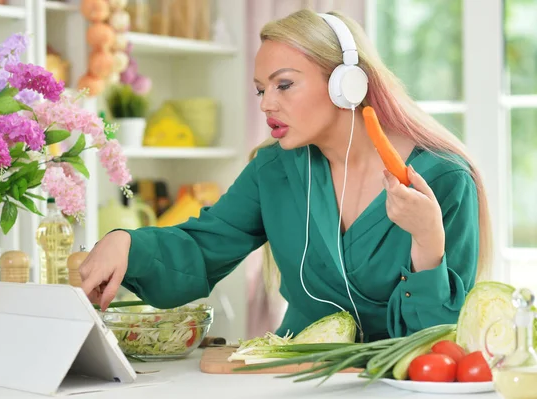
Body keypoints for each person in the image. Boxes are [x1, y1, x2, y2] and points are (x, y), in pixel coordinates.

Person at [79, 9, 492, 343]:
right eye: (262, 90)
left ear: (346, 85)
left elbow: (439, 341)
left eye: (284, 85)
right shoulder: (273, 170)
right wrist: (126, 244)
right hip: (294, 377)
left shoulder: (446, 181)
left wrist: (428, 242)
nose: (266, 105)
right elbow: (203, 246)